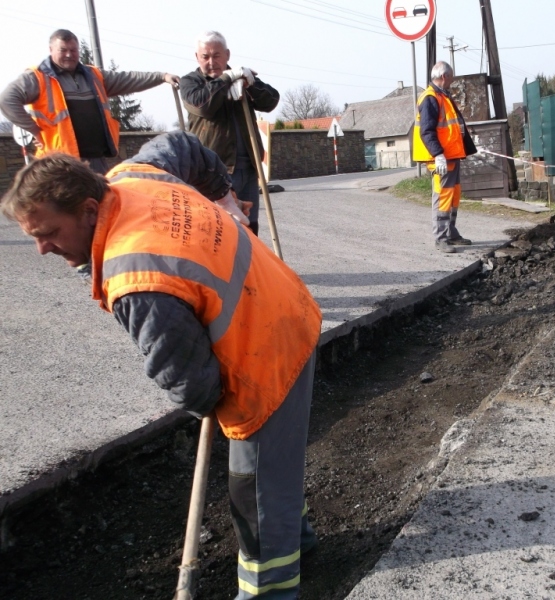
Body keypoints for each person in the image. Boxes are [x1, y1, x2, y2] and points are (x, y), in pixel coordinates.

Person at [1, 132, 322, 600]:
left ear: (89, 210)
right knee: (274, 467)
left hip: (266, 356)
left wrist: (210, 398)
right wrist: (223, 196)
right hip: (287, 306)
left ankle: (269, 591)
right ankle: (301, 541)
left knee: (252, 492)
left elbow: (193, 386)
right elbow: (182, 145)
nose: (42, 249)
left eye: (48, 234)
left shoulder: (136, 278)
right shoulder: (133, 176)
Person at [0, 29, 180, 174]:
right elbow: (7, 100)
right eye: (63, 50)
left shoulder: (93, 76)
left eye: (73, 50)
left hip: (96, 161)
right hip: (59, 163)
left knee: (99, 209)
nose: (69, 55)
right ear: (51, 50)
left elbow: (128, 79)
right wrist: (34, 130)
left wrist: (161, 77)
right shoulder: (37, 77)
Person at [180, 31, 280, 237]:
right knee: (218, 226)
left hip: (249, 168)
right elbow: (203, 106)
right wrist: (227, 78)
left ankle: (250, 267)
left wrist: (250, 84)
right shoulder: (190, 82)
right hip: (213, 171)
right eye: (205, 56)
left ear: (227, 55)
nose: (211, 62)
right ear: (197, 57)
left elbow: (271, 101)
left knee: (249, 224)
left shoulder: (241, 76)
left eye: (216, 56)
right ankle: (219, 269)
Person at [412, 60, 477, 253]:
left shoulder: (442, 96)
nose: (452, 81)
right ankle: (441, 238)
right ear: (444, 77)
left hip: (451, 156)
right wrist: (438, 154)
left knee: (453, 194)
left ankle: (450, 232)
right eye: (451, 78)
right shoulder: (431, 98)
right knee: (442, 196)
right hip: (441, 158)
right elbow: (427, 131)